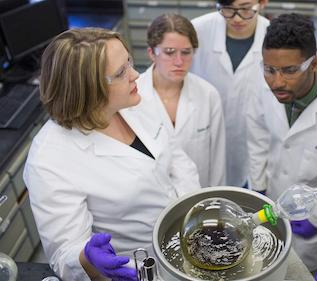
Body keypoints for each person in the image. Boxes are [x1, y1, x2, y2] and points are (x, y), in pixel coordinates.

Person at [23, 28, 200, 280]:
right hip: (138, 268)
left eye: (129, 62)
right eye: (121, 72)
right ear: (88, 88)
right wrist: (86, 258)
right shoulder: (50, 158)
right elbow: (65, 253)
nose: (135, 74)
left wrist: (195, 211)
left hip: (189, 241)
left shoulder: (136, 100)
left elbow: (177, 159)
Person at [246, 14, 317, 272]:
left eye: (290, 70)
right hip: (270, 208)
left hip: (313, 229)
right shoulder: (263, 87)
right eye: (269, 69)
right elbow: (257, 138)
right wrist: (258, 188)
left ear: (313, 63)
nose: (277, 82)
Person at [137, 14, 226, 187]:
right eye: (169, 52)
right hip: (151, 199)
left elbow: (218, 162)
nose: (179, 62)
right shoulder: (133, 96)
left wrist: (216, 200)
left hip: (198, 197)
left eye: (186, 52)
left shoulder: (208, 95)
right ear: (152, 53)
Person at [190, 0, 269, 187]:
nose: (237, 18)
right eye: (228, 9)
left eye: (245, 9)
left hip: (252, 138)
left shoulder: (273, 36)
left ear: (263, 3)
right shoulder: (198, 30)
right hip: (202, 132)